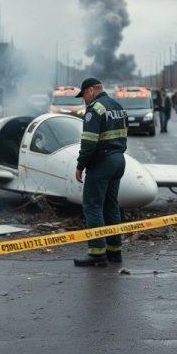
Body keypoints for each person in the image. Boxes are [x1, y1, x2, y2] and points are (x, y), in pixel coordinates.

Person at [73, 78, 128, 267]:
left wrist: (80, 165)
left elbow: (88, 142)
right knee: (111, 205)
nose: (84, 101)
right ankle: (115, 251)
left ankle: (97, 254)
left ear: (90, 91)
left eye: (84, 96)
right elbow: (124, 135)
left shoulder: (95, 109)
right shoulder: (117, 106)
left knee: (92, 206)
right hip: (119, 159)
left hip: (102, 162)